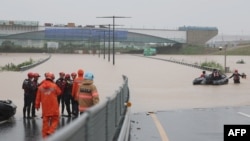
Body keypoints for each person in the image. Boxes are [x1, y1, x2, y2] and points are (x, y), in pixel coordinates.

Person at [35, 72, 61, 139]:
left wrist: (37, 105)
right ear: (52, 78)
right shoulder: (54, 86)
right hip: (54, 107)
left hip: (45, 108)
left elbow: (38, 98)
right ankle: (51, 131)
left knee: (45, 122)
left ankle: (45, 137)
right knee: (55, 120)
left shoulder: (40, 87)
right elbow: (59, 92)